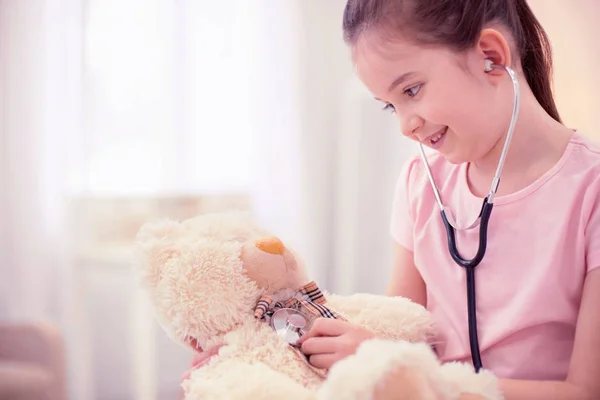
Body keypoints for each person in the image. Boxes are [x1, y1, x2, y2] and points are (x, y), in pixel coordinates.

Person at [185, 0, 600, 398]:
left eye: (412, 90)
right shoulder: (421, 184)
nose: (405, 125)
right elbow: (397, 330)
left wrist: (408, 374)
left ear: (491, 55)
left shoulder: (590, 192)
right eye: (390, 106)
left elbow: (586, 392)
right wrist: (264, 350)